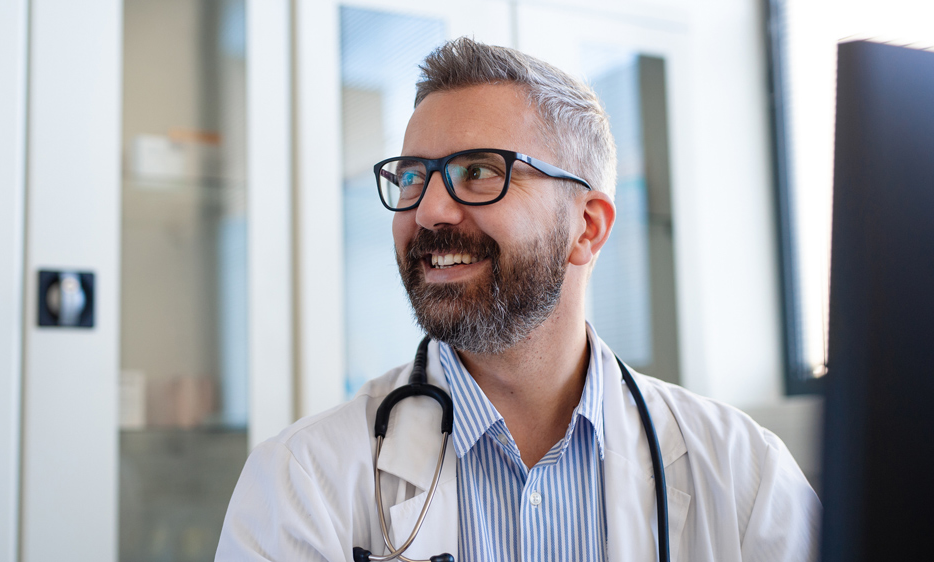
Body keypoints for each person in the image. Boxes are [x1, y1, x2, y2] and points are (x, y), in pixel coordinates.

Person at [215, 37, 820, 562]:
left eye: (479, 171)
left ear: (587, 227)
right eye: (411, 176)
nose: (428, 210)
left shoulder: (747, 478)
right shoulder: (303, 481)